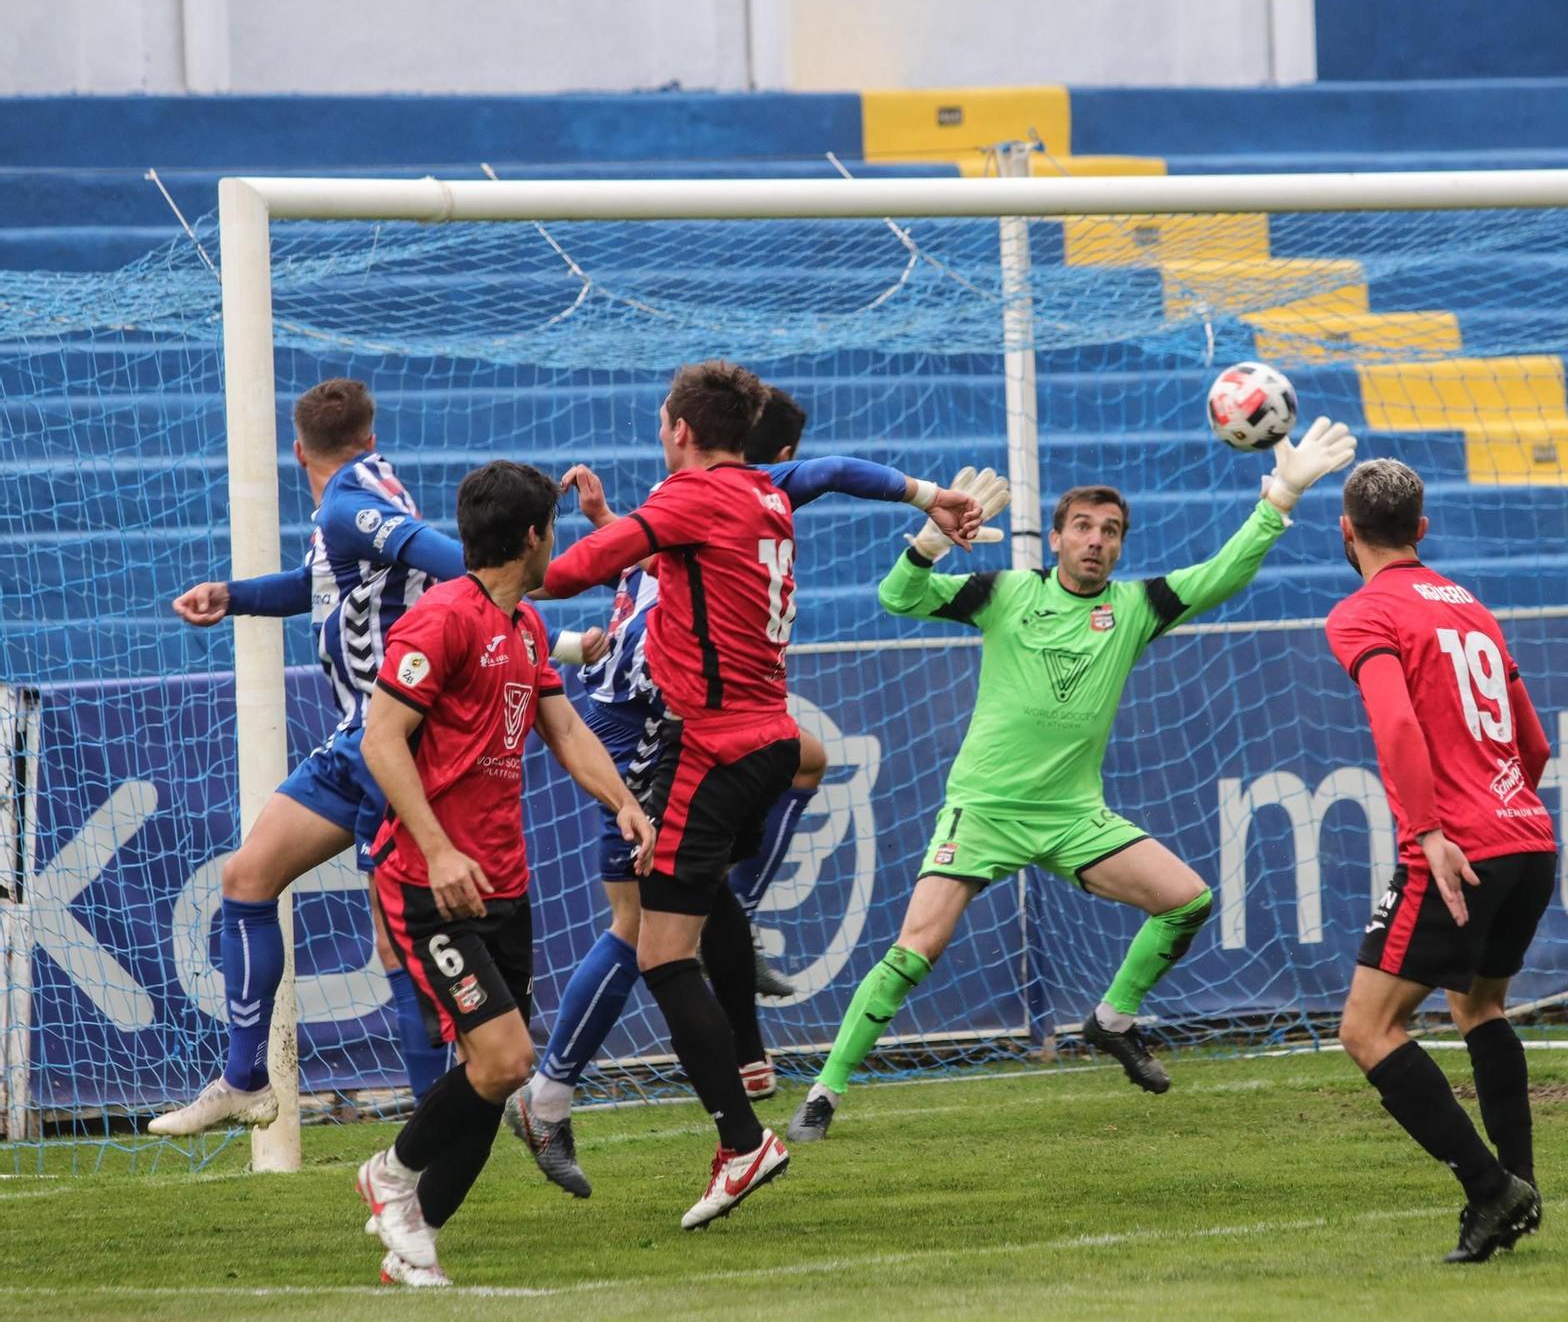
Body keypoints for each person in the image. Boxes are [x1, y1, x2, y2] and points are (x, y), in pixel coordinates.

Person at [786, 417, 1356, 1144]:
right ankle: (824, 1095)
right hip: (986, 810)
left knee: (1188, 900)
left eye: (1110, 530)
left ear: (1120, 544)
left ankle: (1113, 1019)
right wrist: (929, 541)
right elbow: (899, 597)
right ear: (1055, 539)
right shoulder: (1006, 592)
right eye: (1082, 526)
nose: (1096, 540)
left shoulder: (1134, 610)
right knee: (913, 951)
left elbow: (1222, 574)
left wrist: (1278, 498)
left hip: (1072, 814)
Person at [507, 385, 989, 1199]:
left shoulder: (692, 497)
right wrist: (926, 493)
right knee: (676, 902)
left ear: (684, 431)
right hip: (707, 727)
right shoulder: (765, 492)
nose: (658, 435)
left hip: (673, 735)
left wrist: (484, 567)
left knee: (650, 933)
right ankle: (706, 1030)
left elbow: (575, 574)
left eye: (662, 424)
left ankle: (568, 1098)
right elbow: (682, 556)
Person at [353, 460, 654, 1287]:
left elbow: (564, 730)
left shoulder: (520, 627)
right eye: (553, 529)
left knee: (489, 1074)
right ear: (534, 536)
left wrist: (624, 802)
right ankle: (389, 1174)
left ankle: (413, 1239)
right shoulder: (441, 619)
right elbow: (382, 740)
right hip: (430, 878)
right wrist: (439, 848)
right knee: (505, 1060)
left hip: (503, 883)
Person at [151, 378, 477, 1136]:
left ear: (297, 449)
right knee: (248, 876)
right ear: (368, 435)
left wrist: (521, 594)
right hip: (357, 741)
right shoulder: (368, 486)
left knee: (400, 937)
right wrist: (233, 595)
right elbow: (320, 581)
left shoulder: (347, 503)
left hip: (390, 739)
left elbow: (450, 562)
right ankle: (244, 1077)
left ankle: (461, 1104)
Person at [1324, 458, 1552, 1264]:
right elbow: (1534, 744)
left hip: (1457, 845)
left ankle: (1491, 1190)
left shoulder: (1361, 613)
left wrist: (1429, 831)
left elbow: (1395, 726)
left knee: (1366, 1026)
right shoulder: (1472, 607)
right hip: (1529, 835)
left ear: (1346, 530)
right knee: (1479, 1008)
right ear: (1422, 530)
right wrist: (1501, 806)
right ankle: (1520, 1187)